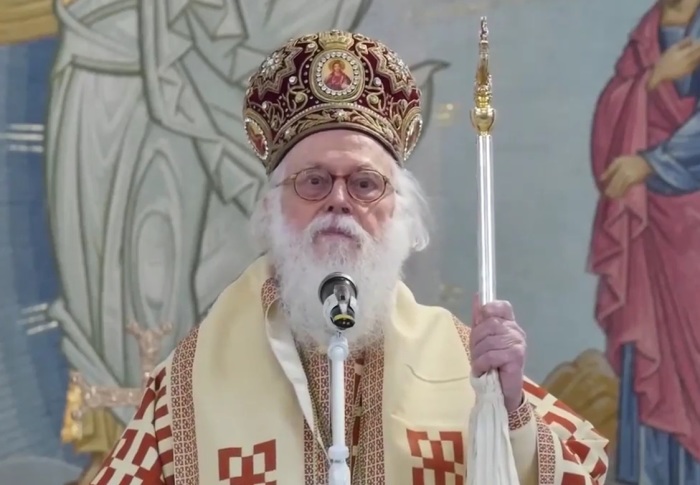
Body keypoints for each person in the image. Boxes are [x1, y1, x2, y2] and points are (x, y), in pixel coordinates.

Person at [90, 29, 609, 484]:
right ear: (272, 208)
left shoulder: (462, 359)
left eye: (364, 183)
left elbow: (579, 472)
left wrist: (509, 408)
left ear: (400, 213)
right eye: (313, 181)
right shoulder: (190, 382)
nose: (339, 200)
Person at [589, 0, 700, 482]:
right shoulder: (648, 30)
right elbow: (612, 111)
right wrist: (652, 80)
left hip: (693, 233)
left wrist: (652, 162)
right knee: (649, 346)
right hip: (648, 234)